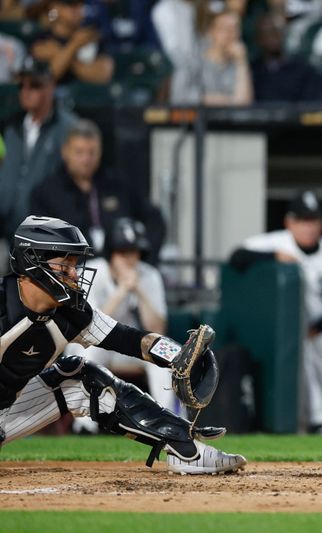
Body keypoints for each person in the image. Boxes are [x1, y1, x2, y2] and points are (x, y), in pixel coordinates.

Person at [0, 215, 246, 474]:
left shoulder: (72, 315)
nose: (74, 273)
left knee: (80, 377)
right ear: (32, 262)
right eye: (65, 264)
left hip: (7, 413)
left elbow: (130, 339)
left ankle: (184, 447)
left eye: (75, 263)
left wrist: (178, 355)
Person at [238, 191, 322, 434]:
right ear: (289, 222)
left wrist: (313, 330)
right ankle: (269, 423)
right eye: (303, 220)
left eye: (313, 220)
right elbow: (237, 257)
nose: (309, 227)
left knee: (317, 377)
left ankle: (320, 423)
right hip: (277, 330)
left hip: (314, 328)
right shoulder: (277, 243)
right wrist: (273, 256)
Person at [69, 217, 178, 435]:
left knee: (162, 356)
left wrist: (138, 291)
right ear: (111, 254)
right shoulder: (92, 272)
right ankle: (84, 426)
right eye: (123, 253)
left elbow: (158, 329)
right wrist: (120, 292)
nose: (130, 260)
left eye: (134, 253)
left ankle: (170, 425)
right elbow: (86, 327)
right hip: (91, 347)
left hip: (128, 349)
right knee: (91, 350)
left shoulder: (149, 275)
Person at [29, 119, 166, 259]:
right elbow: (39, 242)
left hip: (120, 266)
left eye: (92, 152)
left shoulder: (118, 186)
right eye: (79, 152)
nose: (86, 159)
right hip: (74, 271)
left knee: (152, 277)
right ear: (65, 152)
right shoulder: (46, 193)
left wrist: (143, 256)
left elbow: (154, 220)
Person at [0, 57, 78, 246]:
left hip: (44, 236)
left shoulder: (68, 129)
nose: (26, 92)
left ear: (50, 86)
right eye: (21, 85)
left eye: (34, 85)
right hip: (5, 230)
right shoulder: (10, 126)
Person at [30, 0, 114, 85]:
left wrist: (64, 52)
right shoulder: (43, 38)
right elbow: (49, 75)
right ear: (55, 7)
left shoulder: (89, 36)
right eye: (70, 4)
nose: (77, 9)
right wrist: (74, 45)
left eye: (80, 4)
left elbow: (104, 74)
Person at [250, 13, 322, 102]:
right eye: (267, 33)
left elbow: (312, 105)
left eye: (276, 32)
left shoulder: (303, 70)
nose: (272, 37)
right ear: (258, 39)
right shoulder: (252, 71)